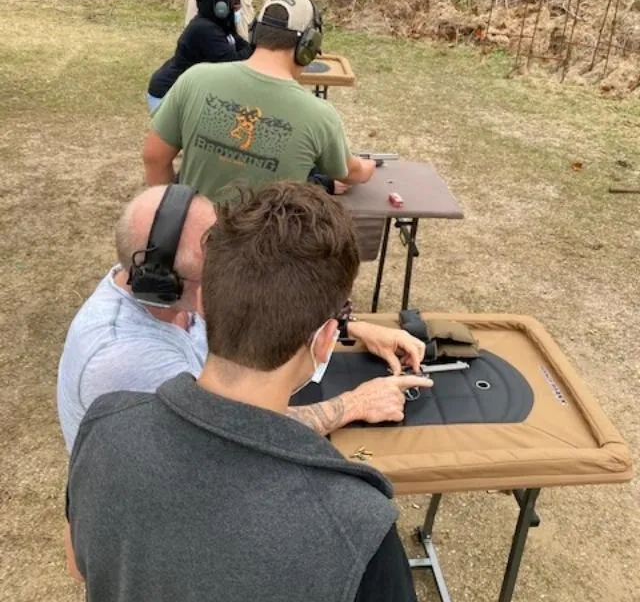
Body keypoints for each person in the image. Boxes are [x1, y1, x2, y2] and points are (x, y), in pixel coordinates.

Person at [66, 181, 430, 602]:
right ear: (326, 337)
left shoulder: (105, 427)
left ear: (205, 298)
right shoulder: (358, 527)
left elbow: (79, 563)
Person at [58, 184, 430, 452]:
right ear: (161, 285)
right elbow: (243, 430)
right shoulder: (129, 360)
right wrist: (354, 405)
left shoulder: (152, 278)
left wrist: (348, 328)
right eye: (213, 267)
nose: (230, 268)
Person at [143, 0, 376, 201]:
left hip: (192, 243)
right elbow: (350, 173)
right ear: (308, 45)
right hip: (266, 248)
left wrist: (175, 218)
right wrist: (369, 166)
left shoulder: (193, 79)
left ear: (255, 32)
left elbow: (154, 157)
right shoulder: (321, 116)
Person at [147, 0, 253, 113]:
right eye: (234, 7)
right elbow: (233, 61)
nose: (237, 11)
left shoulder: (218, 26)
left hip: (181, 93)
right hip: (166, 95)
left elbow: (242, 45)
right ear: (221, 8)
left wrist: (249, 48)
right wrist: (251, 48)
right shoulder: (205, 29)